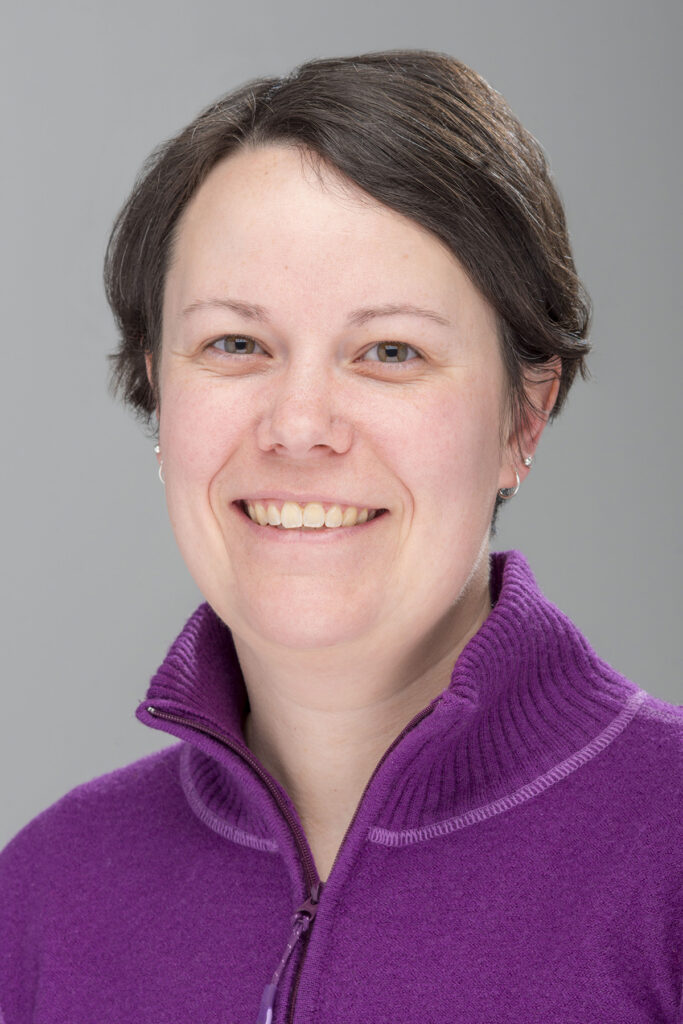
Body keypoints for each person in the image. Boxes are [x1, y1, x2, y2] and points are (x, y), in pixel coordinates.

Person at [1, 49, 680, 1024]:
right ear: (157, 390)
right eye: (236, 344)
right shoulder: (38, 904)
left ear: (521, 420)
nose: (299, 423)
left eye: (389, 351)